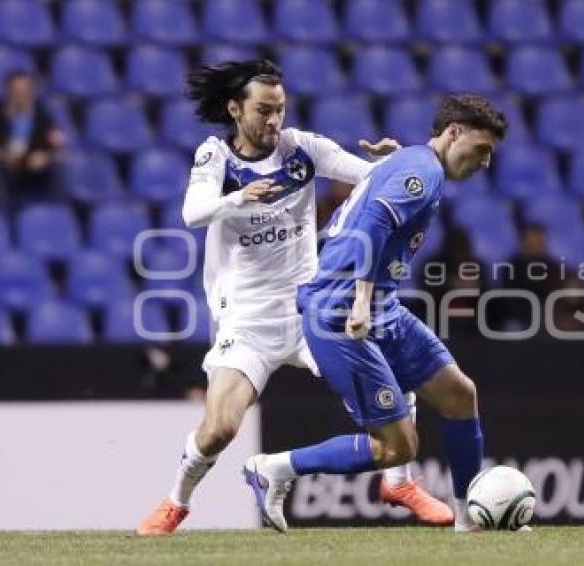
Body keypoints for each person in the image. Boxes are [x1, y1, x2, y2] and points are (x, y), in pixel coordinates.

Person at [137, 60, 451, 535]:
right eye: (263, 110)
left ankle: (398, 482)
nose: (273, 121)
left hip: (311, 307)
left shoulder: (301, 148)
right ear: (234, 109)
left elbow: (369, 177)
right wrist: (238, 200)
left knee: (396, 369)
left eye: (279, 110)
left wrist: (396, 160)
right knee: (220, 429)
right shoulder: (216, 157)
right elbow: (192, 213)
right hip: (247, 318)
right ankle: (176, 501)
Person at [243, 94, 509, 533]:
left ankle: (468, 518)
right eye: (482, 150)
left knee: (460, 395)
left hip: (381, 303)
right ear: (454, 133)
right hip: (340, 308)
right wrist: (362, 298)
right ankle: (273, 468)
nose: (485, 163)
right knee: (396, 448)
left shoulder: (418, 163)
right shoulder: (422, 171)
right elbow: (374, 225)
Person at [0, 71, 64, 207]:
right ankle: (5, 217)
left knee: (58, 166)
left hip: (33, 165)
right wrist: (3, 155)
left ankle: (57, 212)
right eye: (16, 91)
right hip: (6, 166)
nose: (21, 95)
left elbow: (56, 143)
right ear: (8, 92)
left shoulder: (43, 113)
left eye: (25, 91)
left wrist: (46, 156)